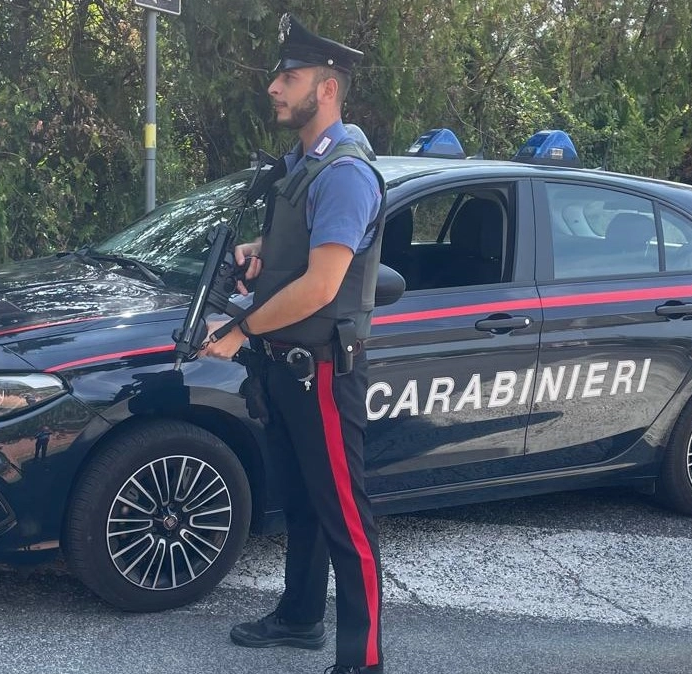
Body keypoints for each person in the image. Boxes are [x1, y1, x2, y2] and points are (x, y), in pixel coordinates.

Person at [200, 13, 385, 674]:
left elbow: (323, 285)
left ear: (327, 87)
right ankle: (301, 618)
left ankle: (362, 660)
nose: (275, 87)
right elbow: (295, 257)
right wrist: (257, 250)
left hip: (326, 371)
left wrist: (237, 330)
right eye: (278, 74)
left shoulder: (344, 173)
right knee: (303, 503)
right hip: (287, 368)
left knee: (346, 520)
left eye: (290, 76)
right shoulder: (305, 166)